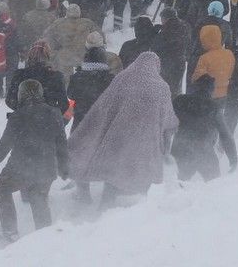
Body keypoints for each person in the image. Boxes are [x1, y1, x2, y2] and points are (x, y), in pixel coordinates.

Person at [67, 52, 178, 208]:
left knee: (113, 175)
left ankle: (104, 210)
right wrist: (165, 148)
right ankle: (136, 213)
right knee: (141, 180)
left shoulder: (122, 79)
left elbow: (105, 106)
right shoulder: (161, 88)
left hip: (118, 138)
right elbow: (168, 120)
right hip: (145, 142)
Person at [0, 79, 67, 241]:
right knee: (38, 196)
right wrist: (64, 167)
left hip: (21, 167)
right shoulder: (55, 113)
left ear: (21, 95)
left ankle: (10, 232)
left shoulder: (17, 116)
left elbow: (3, 148)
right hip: (47, 167)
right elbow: (61, 144)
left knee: (1, 187)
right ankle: (46, 237)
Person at [171, 74, 237, 181]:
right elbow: (225, 135)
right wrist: (233, 159)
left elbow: (164, 122)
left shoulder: (179, 101)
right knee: (214, 184)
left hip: (180, 151)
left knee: (179, 184)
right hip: (204, 151)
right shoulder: (213, 107)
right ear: (211, 90)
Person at [6, 42, 70, 115]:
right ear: (47, 57)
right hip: (48, 121)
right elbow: (64, 104)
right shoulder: (56, 76)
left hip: (24, 121)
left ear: (29, 57)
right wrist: (52, 115)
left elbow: (10, 100)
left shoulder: (19, 75)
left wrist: (22, 111)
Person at [42, 5, 99, 82]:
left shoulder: (58, 23)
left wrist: (54, 53)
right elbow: (99, 39)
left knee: (65, 80)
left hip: (64, 57)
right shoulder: (88, 23)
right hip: (84, 56)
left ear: (67, 12)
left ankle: (67, 88)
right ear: (79, 12)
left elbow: (48, 38)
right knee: (85, 81)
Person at [67, 45, 115, 129]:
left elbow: (70, 95)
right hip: (102, 123)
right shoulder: (110, 79)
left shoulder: (77, 77)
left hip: (80, 121)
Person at [191, 24, 235, 105]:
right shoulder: (229, 53)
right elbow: (231, 72)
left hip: (209, 94)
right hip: (225, 92)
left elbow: (197, 77)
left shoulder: (204, 58)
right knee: (219, 115)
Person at [152, 8, 191, 95]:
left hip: (168, 63)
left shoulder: (166, 29)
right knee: (176, 87)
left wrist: (155, 34)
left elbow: (156, 47)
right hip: (181, 62)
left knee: (164, 89)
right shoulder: (186, 26)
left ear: (165, 18)